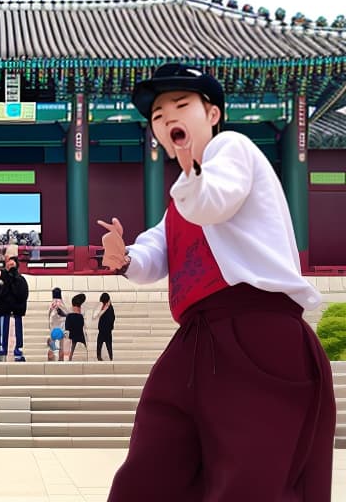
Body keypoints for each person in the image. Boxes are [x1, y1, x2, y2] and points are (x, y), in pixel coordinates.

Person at [98, 63, 336, 502]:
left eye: (181, 105)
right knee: (151, 465)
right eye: (156, 115)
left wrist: (191, 172)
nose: (167, 117)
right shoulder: (181, 199)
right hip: (196, 339)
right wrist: (123, 256)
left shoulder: (232, 150)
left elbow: (215, 201)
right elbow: (155, 252)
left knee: (251, 477)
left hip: (258, 328)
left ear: (211, 114)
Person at [0, 247, 29, 362]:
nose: (10, 267)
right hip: (3, 312)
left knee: (17, 333)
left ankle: (18, 352)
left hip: (16, 313)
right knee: (1, 333)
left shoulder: (21, 280)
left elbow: (23, 295)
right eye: (9, 265)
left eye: (13, 265)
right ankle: (0, 351)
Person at [65, 294, 88, 361]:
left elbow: (67, 328)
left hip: (72, 336)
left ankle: (70, 358)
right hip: (80, 335)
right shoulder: (81, 317)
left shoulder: (69, 316)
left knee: (72, 346)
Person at [48, 287, 68, 361]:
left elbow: (49, 315)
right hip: (61, 327)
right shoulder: (62, 303)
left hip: (53, 327)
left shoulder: (51, 304)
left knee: (51, 345)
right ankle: (61, 359)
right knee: (61, 345)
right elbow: (66, 314)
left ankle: (50, 359)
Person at [93, 292, 115, 361]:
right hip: (107, 330)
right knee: (108, 345)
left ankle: (99, 356)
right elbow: (113, 318)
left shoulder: (106, 307)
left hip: (103, 330)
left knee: (100, 343)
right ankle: (110, 357)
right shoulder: (110, 307)